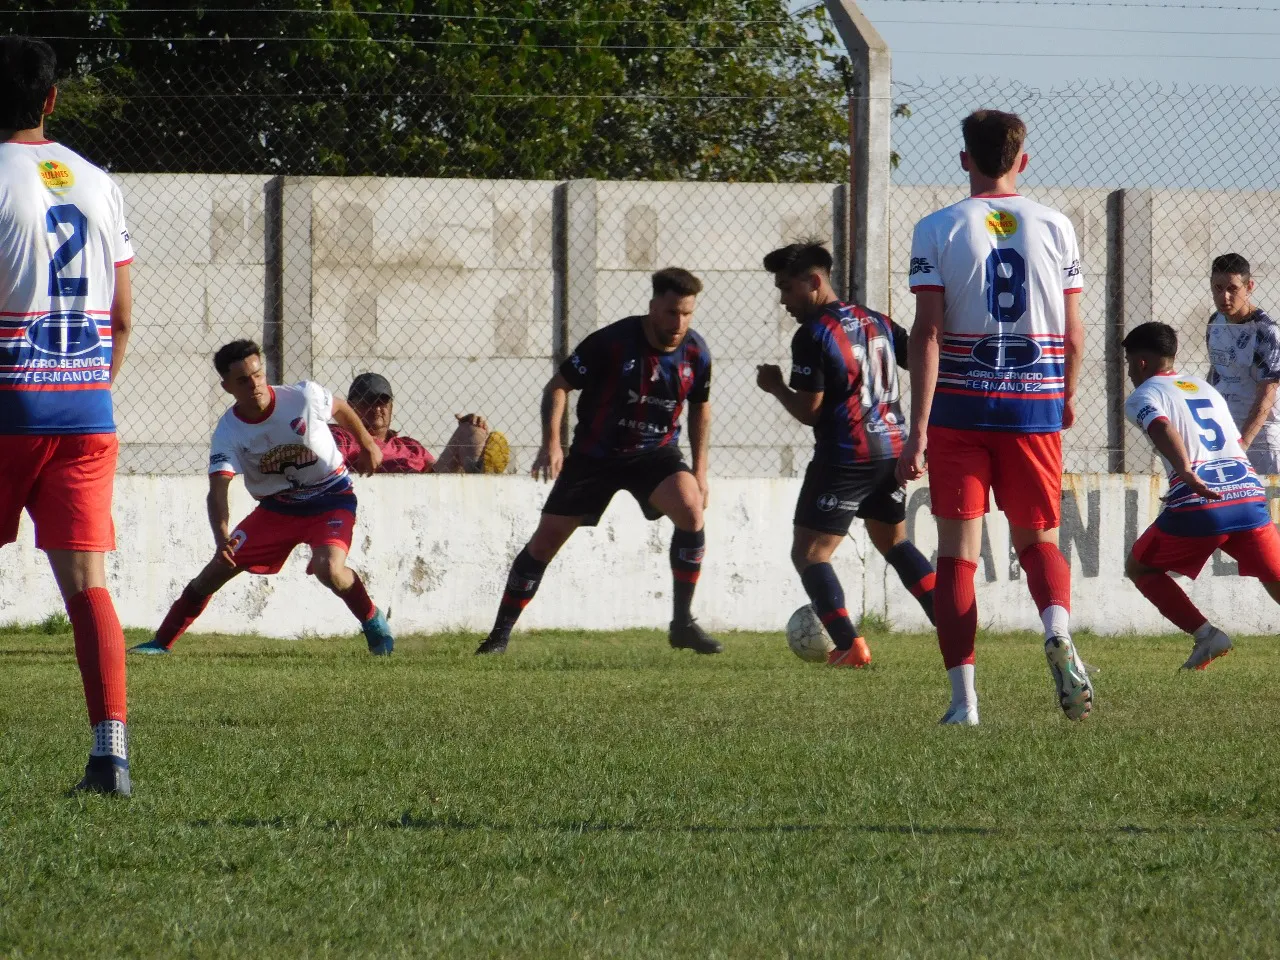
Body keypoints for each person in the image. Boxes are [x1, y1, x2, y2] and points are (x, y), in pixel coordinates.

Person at [900, 109, 1093, 726]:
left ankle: (965, 703)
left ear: (965, 159)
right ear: (1022, 160)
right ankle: (1057, 630)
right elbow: (1074, 330)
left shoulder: (937, 227)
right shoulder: (1057, 225)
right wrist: (1065, 394)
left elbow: (928, 332)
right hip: (1033, 404)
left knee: (957, 555)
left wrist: (918, 429)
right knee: (1038, 541)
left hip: (959, 407)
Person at [0, 37, 135, 795]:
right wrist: (87, 385)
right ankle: (110, 755)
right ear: (51, 98)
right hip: (86, 406)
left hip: (7, 401)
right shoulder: (98, 182)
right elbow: (123, 315)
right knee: (88, 586)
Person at [476, 267, 717, 655]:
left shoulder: (696, 353)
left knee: (691, 508)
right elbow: (558, 387)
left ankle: (682, 624)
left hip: (654, 453)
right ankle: (498, 637)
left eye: (687, 314)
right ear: (653, 306)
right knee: (545, 542)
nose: (679, 323)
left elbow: (701, 407)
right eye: (672, 312)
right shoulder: (613, 342)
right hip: (596, 455)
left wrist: (700, 471)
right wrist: (552, 444)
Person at [130, 340, 396, 656]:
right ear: (227, 387)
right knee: (214, 572)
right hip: (277, 508)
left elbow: (338, 406)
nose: (254, 384)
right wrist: (222, 537)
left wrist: (367, 444)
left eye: (258, 375)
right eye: (243, 380)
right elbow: (218, 489)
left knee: (329, 568)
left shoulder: (302, 397)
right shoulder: (228, 431)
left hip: (330, 496)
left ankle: (373, 622)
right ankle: (161, 642)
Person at [755, 240, 936, 668]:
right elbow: (920, 359)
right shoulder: (877, 320)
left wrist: (776, 386)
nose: (783, 300)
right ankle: (950, 621)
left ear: (814, 281)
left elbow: (810, 411)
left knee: (809, 553)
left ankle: (848, 645)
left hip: (846, 455)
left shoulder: (813, 333)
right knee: (893, 542)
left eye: (787, 288)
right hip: (892, 450)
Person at [1122, 321, 1280, 669]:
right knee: (1275, 575)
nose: (1129, 372)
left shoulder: (1143, 395)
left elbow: (1161, 426)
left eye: (1129, 363)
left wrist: (1185, 471)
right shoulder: (1203, 387)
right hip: (1248, 496)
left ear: (1141, 362)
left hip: (1199, 504)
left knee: (1140, 568)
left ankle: (1207, 635)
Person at [330, 372, 508, 474]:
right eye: (368, 401)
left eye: (382, 402)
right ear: (351, 407)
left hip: (426, 493)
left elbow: (436, 471)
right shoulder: (341, 437)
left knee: (470, 427)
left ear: (391, 406)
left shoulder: (409, 445)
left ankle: (479, 472)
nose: (377, 408)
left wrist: (472, 430)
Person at [1205, 252, 1280, 475]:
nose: (1224, 296)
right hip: (1224, 430)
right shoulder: (1215, 322)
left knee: (1268, 497)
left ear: (1249, 287)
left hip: (1260, 438)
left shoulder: (1265, 332)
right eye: (1218, 288)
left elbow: (1267, 394)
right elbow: (1215, 373)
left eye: (1232, 289)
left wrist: (1242, 445)